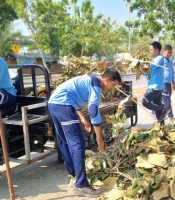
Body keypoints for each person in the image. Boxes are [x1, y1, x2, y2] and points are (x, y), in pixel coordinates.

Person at [48, 68, 122, 197]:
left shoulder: (89, 79)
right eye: (113, 84)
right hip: (63, 105)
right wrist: (99, 138)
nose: (112, 88)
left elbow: (73, 96)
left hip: (54, 104)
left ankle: (74, 174)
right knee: (78, 144)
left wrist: (82, 118)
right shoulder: (96, 85)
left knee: (65, 141)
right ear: (107, 79)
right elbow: (93, 111)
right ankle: (81, 185)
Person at [142, 41, 169, 122]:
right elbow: (147, 72)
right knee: (159, 114)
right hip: (155, 87)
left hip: (155, 87)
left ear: (157, 50)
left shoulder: (160, 58)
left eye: (151, 49)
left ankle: (163, 108)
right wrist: (141, 70)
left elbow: (151, 66)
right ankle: (162, 129)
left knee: (144, 102)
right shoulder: (154, 59)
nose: (150, 51)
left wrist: (141, 64)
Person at [162, 45, 175, 119]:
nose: (169, 54)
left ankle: (164, 115)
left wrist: (173, 82)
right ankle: (170, 116)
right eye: (168, 52)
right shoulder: (160, 60)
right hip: (163, 83)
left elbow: (172, 72)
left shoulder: (170, 61)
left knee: (167, 100)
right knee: (167, 101)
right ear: (164, 51)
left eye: (171, 53)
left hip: (169, 83)